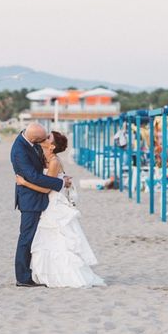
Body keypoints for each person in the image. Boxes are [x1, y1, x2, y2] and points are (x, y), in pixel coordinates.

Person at [16, 131, 105, 288]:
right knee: (46, 239)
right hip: (48, 202)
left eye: (48, 137)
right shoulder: (44, 156)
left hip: (52, 202)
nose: (44, 137)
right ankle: (38, 274)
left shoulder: (54, 162)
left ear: (52, 145)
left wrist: (24, 183)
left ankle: (59, 273)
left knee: (56, 239)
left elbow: (45, 189)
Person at [10, 123, 71, 287]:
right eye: (43, 138)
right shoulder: (19, 150)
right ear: (35, 138)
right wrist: (60, 182)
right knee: (26, 238)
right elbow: (33, 177)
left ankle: (30, 273)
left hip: (38, 198)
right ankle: (22, 278)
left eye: (47, 137)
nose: (44, 140)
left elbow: (42, 171)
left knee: (34, 239)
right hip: (30, 200)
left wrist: (61, 178)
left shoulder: (32, 144)